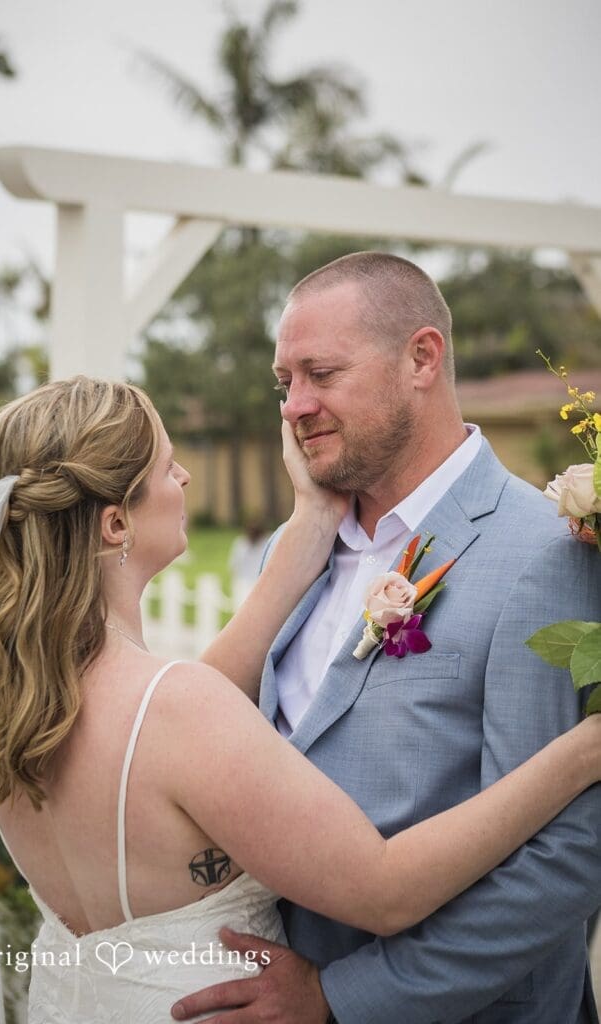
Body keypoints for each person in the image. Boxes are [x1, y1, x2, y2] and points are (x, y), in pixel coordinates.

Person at [0, 377, 599, 1024]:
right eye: (167, 466)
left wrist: (309, 524)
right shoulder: (174, 708)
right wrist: (581, 749)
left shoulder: (9, 699)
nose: (183, 479)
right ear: (116, 525)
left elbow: (196, 699)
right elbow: (386, 889)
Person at [173, 252, 601, 1024]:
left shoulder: (545, 554)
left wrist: (341, 998)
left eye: (321, 373)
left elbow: (564, 857)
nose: (294, 406)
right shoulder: (290, 552)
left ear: (421, 358)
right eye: (284, 383)